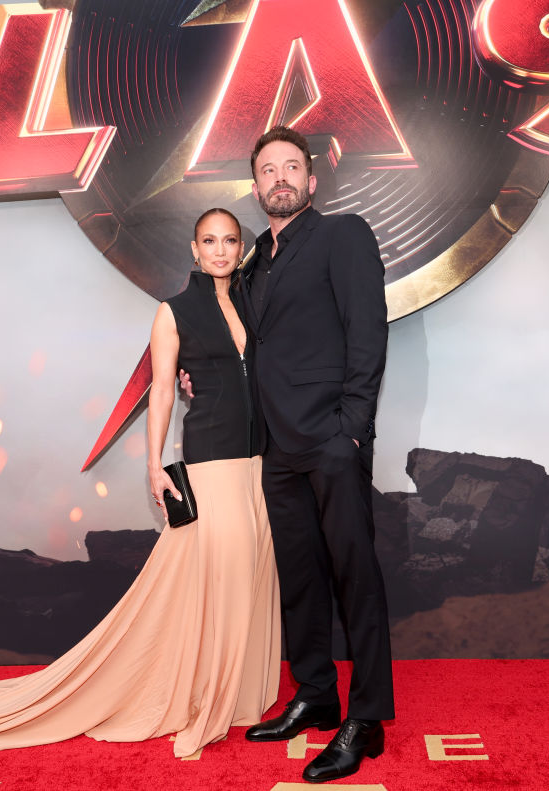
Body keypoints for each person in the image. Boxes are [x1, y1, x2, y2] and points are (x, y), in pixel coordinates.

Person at [0, 208, 280, 759]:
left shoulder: (251, 302)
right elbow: (164, 393)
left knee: (245, 575)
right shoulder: (175, 312)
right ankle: (203, 696)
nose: (220, 250)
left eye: (229, 241)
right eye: (209, 241)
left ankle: (239, 692)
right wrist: (153, 465)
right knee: (217, 575)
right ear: (194, 250)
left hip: (257, 463)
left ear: (240, 248)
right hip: (213, 460)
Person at [181, 126, 393, 782]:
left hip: (331, 440)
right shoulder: (253, 267)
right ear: (255, 186)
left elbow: (367, 331)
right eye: (268, 169)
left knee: (354, 576)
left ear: (311, 179)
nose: (280, 178)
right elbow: (246, 347)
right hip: (276, 449)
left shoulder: (343, 235)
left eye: (291, 167)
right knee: (298, 580)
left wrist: (351, 430)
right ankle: (316, 693)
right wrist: (199, 374)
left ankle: (366, 719)